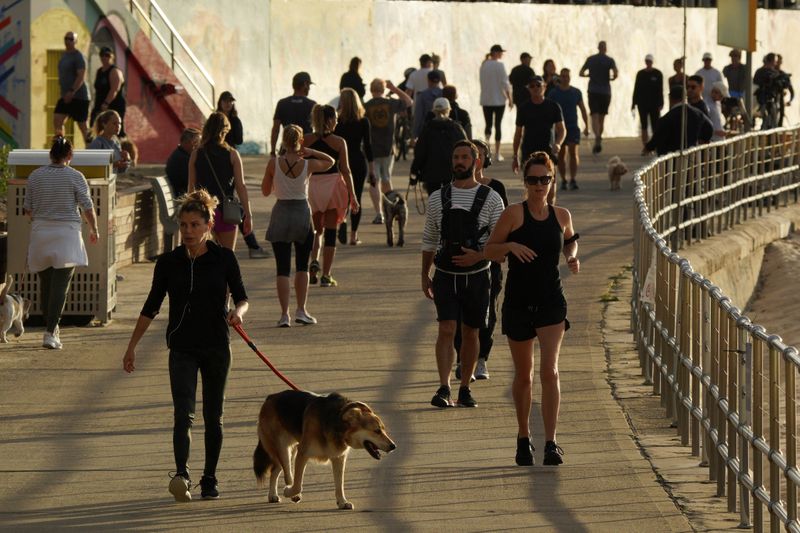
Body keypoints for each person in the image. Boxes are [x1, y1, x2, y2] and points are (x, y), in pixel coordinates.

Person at [122, 189, 249, 502]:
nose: (189, 231)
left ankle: (209, 478)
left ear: (208, 226)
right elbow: (151, 306)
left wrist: (238, 312)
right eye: (184, 225)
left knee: (214, 416)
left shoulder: (224, 258)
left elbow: (243, 296)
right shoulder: (168, 263)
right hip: (182, 347)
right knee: (183, 414)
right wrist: (131, 346)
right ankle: (182, 474)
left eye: (195, 225)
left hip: (217, 345)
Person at [485, 151, 579, 466]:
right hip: (519, 302)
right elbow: (489, 250)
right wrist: (510, 246)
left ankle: (551, 442)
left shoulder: (562, 214)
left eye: (545, 179)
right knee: (524, 376)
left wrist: (571, 255)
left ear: (552, 181)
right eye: (533, 180)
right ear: (525, 182)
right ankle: (524, 437)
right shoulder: (513, 213)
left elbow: (569, 240)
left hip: (552, 300)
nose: (539, 185)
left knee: (550, 371)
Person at [421, 140, 505, 409]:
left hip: (478, 275)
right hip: (445, 274)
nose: (459, 161)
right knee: (446, 328)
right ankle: (444, 387)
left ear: (476, 161)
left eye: (465, 157)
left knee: (471, 332)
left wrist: (479, 256)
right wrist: (425, 274)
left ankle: (465, 387)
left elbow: (500, 243)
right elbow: (429, 239)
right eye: (456, 157)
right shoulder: (438, 197)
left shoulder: (492, 198)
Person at [24, 137, 98, 350]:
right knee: (61, 286)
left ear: (50, 154)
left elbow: (28, 208)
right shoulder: (76, 176)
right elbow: (87, 208)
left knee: (46, 284)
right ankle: (50, 332)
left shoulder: (35, 176)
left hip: (41, 233)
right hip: (67, 234)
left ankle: (51, 328)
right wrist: (94, 229)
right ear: (70, 156)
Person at [261, 125, 335, 326]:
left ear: (283, 141)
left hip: (281, 214)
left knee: (282, 268)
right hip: (302, 214)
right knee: (302, 265)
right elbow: (331, 161)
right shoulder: (307, 164)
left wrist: (275, 180)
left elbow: (266, 191)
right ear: (300, 141)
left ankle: (284, 314)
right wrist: (311, 152)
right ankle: (301, 310)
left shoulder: (272, 163)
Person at [453, 139, 507, 381]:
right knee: (457, 315)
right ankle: (462, 359)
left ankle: (481, 358)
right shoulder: (449, 190)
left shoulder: (496, 189)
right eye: (461, 157)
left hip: (489, 262)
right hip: (458, 262)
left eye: (478, 156)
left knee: (487, 312)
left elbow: (504, 225)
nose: (470, 161)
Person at [303, 104, 359, 288]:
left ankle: (313, 260)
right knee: (330, 232)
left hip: (312, 187)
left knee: (316, 230)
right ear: (329, 120)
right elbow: (346, 170)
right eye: (334, 118)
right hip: (332, 186)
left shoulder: (306, 139)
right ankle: (326, 275)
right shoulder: (339, 142)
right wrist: (353, 195)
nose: (336, 121)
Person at [188, 112, 254, 251]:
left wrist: (189, 212)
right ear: (225, 131)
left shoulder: (196, 154)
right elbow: (241, 186)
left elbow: (191, 187)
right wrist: (248, 215)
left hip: (203, 211)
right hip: (226, 211)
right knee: (227, 258)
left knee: (202, 258)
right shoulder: (232, 154)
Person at [217, 91, 269, 259]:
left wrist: (232, 123)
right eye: (226, 101)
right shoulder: (215, 119)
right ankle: (252, 245)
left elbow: (238, 139)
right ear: (221, 102)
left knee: (233, 205)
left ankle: (252, 245)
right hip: (220, 166)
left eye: (231, 102)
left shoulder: (235, 120)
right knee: (234, 207)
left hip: (230, 163)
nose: (228, 104)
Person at [364, 78, 413, 221]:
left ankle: (379, 213)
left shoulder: (366, 106)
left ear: (371, 90)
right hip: (388, 148)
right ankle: (390, 208)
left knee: (374, 181)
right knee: (386, 180)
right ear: (383, 89)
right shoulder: (390, 104)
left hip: (371, 149)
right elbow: (409, 102)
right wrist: (395, 89)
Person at [335, 88, 375, 245]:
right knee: (356, 197)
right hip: (358, 161)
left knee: (343, 196)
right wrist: (372, 170)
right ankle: (353, 236)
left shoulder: (338, 121)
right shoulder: (363, 121)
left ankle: (342, 223)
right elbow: (368, 146)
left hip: (342, 162)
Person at [410, 97, 467, 195]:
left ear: (434, 111)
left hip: (431, 174)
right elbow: (466, 149)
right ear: (449, 110)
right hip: (452, 172)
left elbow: (420, 153)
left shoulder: (427, 129)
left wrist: (414, 171)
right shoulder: (456, 129)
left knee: (434, 202)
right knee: (450, 201)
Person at [512, 76, 565, 173]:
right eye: (532, 86)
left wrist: (558, 143)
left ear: (545, 86)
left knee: (550, 181)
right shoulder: (523, 108)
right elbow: (518, 133)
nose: (535, 88)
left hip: (548, 150)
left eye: (538, 85)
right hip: (529, 151)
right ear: (528, 89)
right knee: (531, 183)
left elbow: (562, 130)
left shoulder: (553, 106)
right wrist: (515, 156)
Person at [547, 68, 589, 190]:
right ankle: (564, 179)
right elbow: (548, 109)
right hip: (559, 128)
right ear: (560, 77)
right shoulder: (554, 93)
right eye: (563, 76)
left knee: (573, 152)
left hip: (573, 127)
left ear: (570, 77)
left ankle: (573, 179)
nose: (565, 78)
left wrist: (586, 125)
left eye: (567, 76)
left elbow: (583, 109)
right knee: (561, 155)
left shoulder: (576, 92)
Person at [644, 86, 714, 156]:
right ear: (685, 97)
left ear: (670, 98)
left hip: (671, 157)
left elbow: (658, 136)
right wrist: (703, 139)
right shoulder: (698, 113)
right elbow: (709, 127)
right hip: (691, 154)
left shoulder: (667, 117)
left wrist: (648, 147)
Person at [580, 41, 618, 154]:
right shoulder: (610, 60)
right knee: (602, 118)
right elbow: (616, 74)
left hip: (593, 90)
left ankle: (597, 136)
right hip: (605, 91)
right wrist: (611, 78)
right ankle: (599, 136)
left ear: (598, 48)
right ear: (605, 49)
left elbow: (581, 73)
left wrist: (589, 75)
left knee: (594, 115)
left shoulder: (591, 59)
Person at [54, 31, 91, 143]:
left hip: (79, 97)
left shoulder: (78, 56)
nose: (67, 41)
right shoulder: (64, 55)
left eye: (70, 39)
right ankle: (61, 148)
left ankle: (92, 149)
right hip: (65, 96)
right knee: (57, 121)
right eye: (66, 38)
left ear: (75, 41)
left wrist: (72, 91)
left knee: (82, 126)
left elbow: (81, 76)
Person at [479, 44, 513, 161]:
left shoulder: (484, 65)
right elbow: (505, 83)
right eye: (500, 52)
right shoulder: (500, 65)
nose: (502, 54)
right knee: (498, 125)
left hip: (486, 100)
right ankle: (497, 153)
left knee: (488, 125)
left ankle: (486, 150)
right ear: (496, 53)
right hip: (499, 100)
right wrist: (510, 99)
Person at [271, 72, 316, 156]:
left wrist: (273, 151)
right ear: (305, 84)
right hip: (306, 150)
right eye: (309, 85)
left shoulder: (282, 103)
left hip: (286, 150)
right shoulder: (312, 105)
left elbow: (275, 129)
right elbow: (318, 129)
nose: (309, 88)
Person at [632, 54, 664, 153]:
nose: (648, 63)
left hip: (654, 104)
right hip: (642, 103)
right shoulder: (640, 73)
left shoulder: (658, 73)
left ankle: (655, 145)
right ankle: (645, 146)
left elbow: (660, 89)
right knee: (644, 124)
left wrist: (661, 102)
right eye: (647, 61)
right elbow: (636, 88)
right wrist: (633, 103)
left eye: (649, 61)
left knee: (655, 125)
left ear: (652, 62)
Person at [90, 46, 125, 137]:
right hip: (99, 105)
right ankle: (97, 149)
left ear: (112, 56)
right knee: (94, 127)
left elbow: (115, 89)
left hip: (113, 106)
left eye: (107, 55)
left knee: (115, 131)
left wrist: (106, 103)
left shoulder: (115, 71)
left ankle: (120, 149)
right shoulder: (99, 71)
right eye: (102, 55)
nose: (104, 57)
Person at [165, 128, 201, 198]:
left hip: (180, 196)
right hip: (183, 198)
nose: (197, 146)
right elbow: (194, 182)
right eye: (196, 142)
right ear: (188, 142)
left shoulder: (178, 154)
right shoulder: (183, 159)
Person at [412, 70, 443, 139]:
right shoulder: (444, 93)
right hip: (443, 130)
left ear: (428, 80)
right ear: (439, 81)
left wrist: (414, 135)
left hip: (427, 130)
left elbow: (418, 116)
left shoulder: (422, 95)